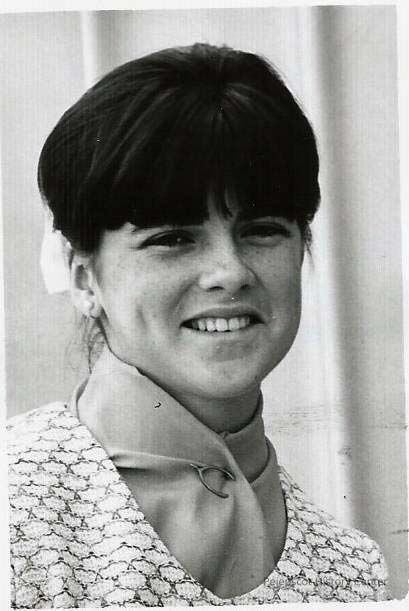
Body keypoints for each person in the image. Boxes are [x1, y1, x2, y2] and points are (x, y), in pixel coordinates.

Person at [7, 43, 389, 608]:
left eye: (262, 229)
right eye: (172, 238)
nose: (230, 272)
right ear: (84, 278)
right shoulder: (15, 509)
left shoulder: (352, 570)